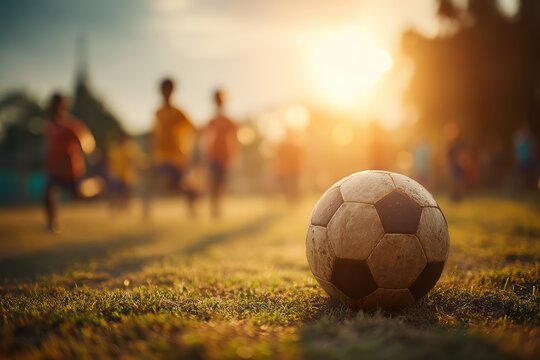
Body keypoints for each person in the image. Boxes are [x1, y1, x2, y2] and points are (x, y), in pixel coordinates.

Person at [43, 93, 95, 232]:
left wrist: (87, 151)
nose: (54, 107)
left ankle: (95, 186)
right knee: (48, 192)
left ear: (63, 106)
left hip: (71, 170)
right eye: (52, 104)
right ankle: (52, 222)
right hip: (54, 169)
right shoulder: (48, 127)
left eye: (57, 104)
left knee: (79, 196)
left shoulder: (71, 126)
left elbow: (88, 143)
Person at [147, 78, 196, 217]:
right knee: (154, 183)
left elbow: (192, 128)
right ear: (160, 91)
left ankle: (191, 210)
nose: (166, 92)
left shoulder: (178, 112)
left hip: (177, 155)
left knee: (183, 185)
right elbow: (154, 133)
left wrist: (188, 148)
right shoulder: (158, 112)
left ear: (173, 91)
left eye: (169, 89)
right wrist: (151, 148)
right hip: (160, 156)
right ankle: (147, 214)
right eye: (164, 89)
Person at [201, 89, 238, 218]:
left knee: (220, 183)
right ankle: (214, 208)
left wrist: (234, 153)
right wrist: (206, 153)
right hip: (213, 155)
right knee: (213, 183)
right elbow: (206, 136)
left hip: (225, 156)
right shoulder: (212, 120)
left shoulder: (228, 120)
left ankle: (217, 208)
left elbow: (236, 135)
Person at [107, 131, 144, 212]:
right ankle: (115, 209)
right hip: (117, 175)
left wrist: (138, 166)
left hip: (128, 175)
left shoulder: (131, 147)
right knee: (116, 193)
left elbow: (135, 159)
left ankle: (126, 208)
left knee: (126, 193)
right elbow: (111, 161)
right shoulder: (114, 147)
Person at [274, 129, 303, 204]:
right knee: (287, 186)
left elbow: (300, 156)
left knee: (294, 185)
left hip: (294, 169)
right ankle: (290, 200)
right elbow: (278, 156)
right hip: (286, 170)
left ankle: (295, 200)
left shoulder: (295, 145)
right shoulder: (283, 145)